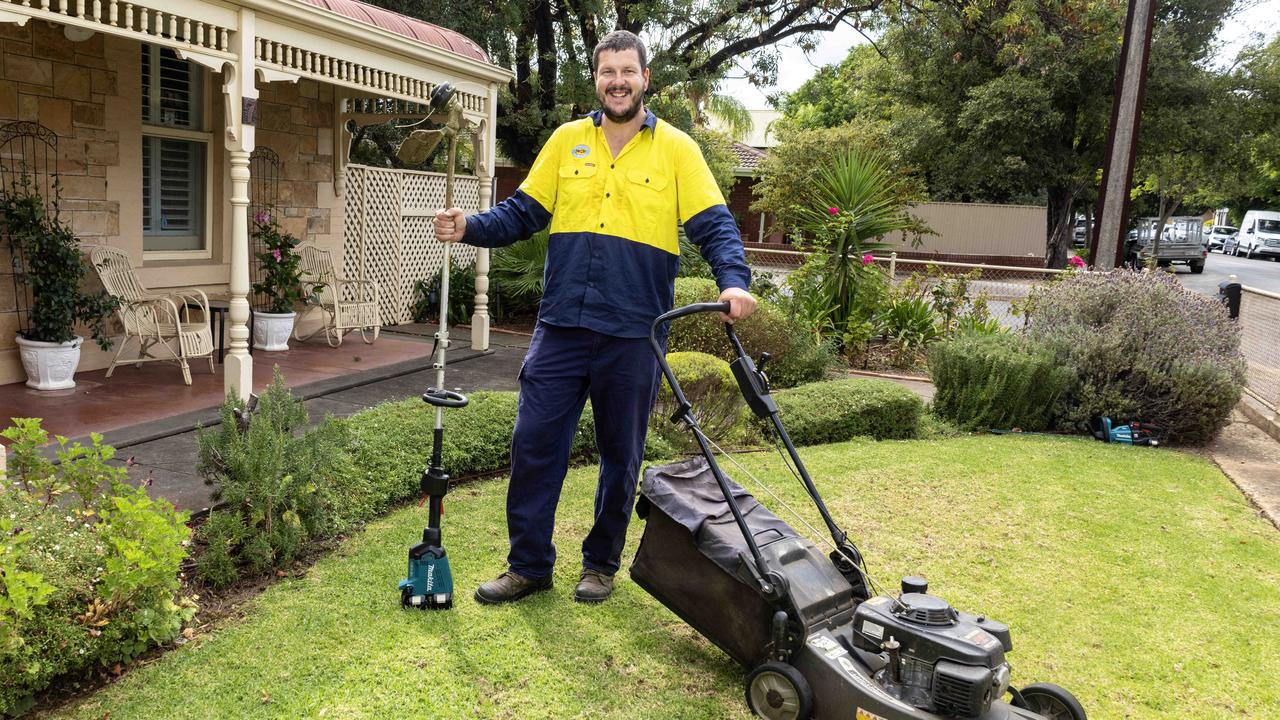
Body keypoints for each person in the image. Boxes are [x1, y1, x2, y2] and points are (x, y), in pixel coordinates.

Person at [433, 30, 757, 605]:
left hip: (635, 332)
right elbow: (523, 213)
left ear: (645, 79)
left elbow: (714, 224)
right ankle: (528, 565)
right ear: (597, 79)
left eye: (627, 72)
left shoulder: (678, 150)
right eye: (607, 72)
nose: (617, 82)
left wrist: (733, 281)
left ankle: (600, 563)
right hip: (562, 326)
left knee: (621, 454)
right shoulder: (566, 141)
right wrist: (471, 227)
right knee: (535, 445)